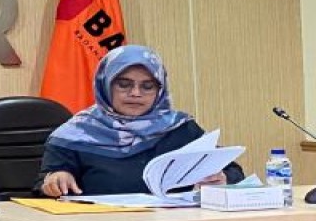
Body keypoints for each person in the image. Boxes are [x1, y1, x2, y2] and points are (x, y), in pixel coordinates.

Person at [37, 45, 243, 197]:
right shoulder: (74, 135)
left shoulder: (181, 128)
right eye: (124, 84)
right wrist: (55, 179)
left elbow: (233, 170)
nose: (135, 93)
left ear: (160, 89)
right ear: (105, 85)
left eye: (147, 86)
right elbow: (41, 186)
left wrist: (223, 178)